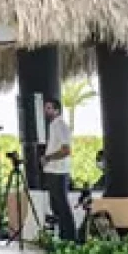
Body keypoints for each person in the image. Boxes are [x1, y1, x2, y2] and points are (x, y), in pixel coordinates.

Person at [40, 97, 77, 244]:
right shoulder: (54, 125)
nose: (46, 111)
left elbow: (66, 150)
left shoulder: (60, 125)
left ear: (57, 110)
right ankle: (63, 236)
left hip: (59, 172)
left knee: (62, 205)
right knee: (56, 205)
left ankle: (70, 237)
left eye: (49, 108)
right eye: (45, 108)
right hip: (52, 171)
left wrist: (48, 157)